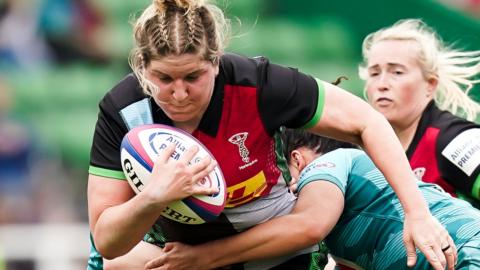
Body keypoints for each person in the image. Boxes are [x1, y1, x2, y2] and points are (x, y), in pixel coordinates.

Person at [87, 1, 455, 269]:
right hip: (179, 252)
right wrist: (153, 197)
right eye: (164, 79)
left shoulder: (258, 83)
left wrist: (417, 213)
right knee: (118, 264)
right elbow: (107, 240)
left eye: (193, 77)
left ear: (217, 62)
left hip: (271, 248)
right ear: (142, 67)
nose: (179, 94)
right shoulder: (122, 109)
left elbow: (367, 122)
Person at [142, 129, 480, 270]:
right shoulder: (352, 217)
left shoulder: (332, 163)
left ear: (297, 159)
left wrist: (202, 257)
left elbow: (310, 225)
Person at [358, 19, 480, 208]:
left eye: (397, 72)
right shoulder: (367, 151)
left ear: (430, 85)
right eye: (374, 73)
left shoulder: (454, 140)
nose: (382, 84)